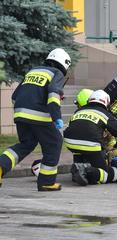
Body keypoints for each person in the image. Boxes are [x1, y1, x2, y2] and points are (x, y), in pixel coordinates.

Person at [0, 48, 71, 191]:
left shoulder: (33, 71)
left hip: (20, 113)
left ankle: (1, 166)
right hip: (38, 114)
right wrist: (56, 117)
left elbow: (15, 96)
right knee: (54, 142)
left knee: (26, 144)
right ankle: (46, 182)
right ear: (63, 65)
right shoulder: (56, 73)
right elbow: (52, 94)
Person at [63, 90, 117, 186]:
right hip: (90, 144)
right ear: (106, 102)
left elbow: (74, 127)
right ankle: (87, 171)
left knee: (81, 148)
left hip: (70, 143)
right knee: (105, 173)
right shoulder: (104, 113)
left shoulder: (79, 111)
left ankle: (78, 169)